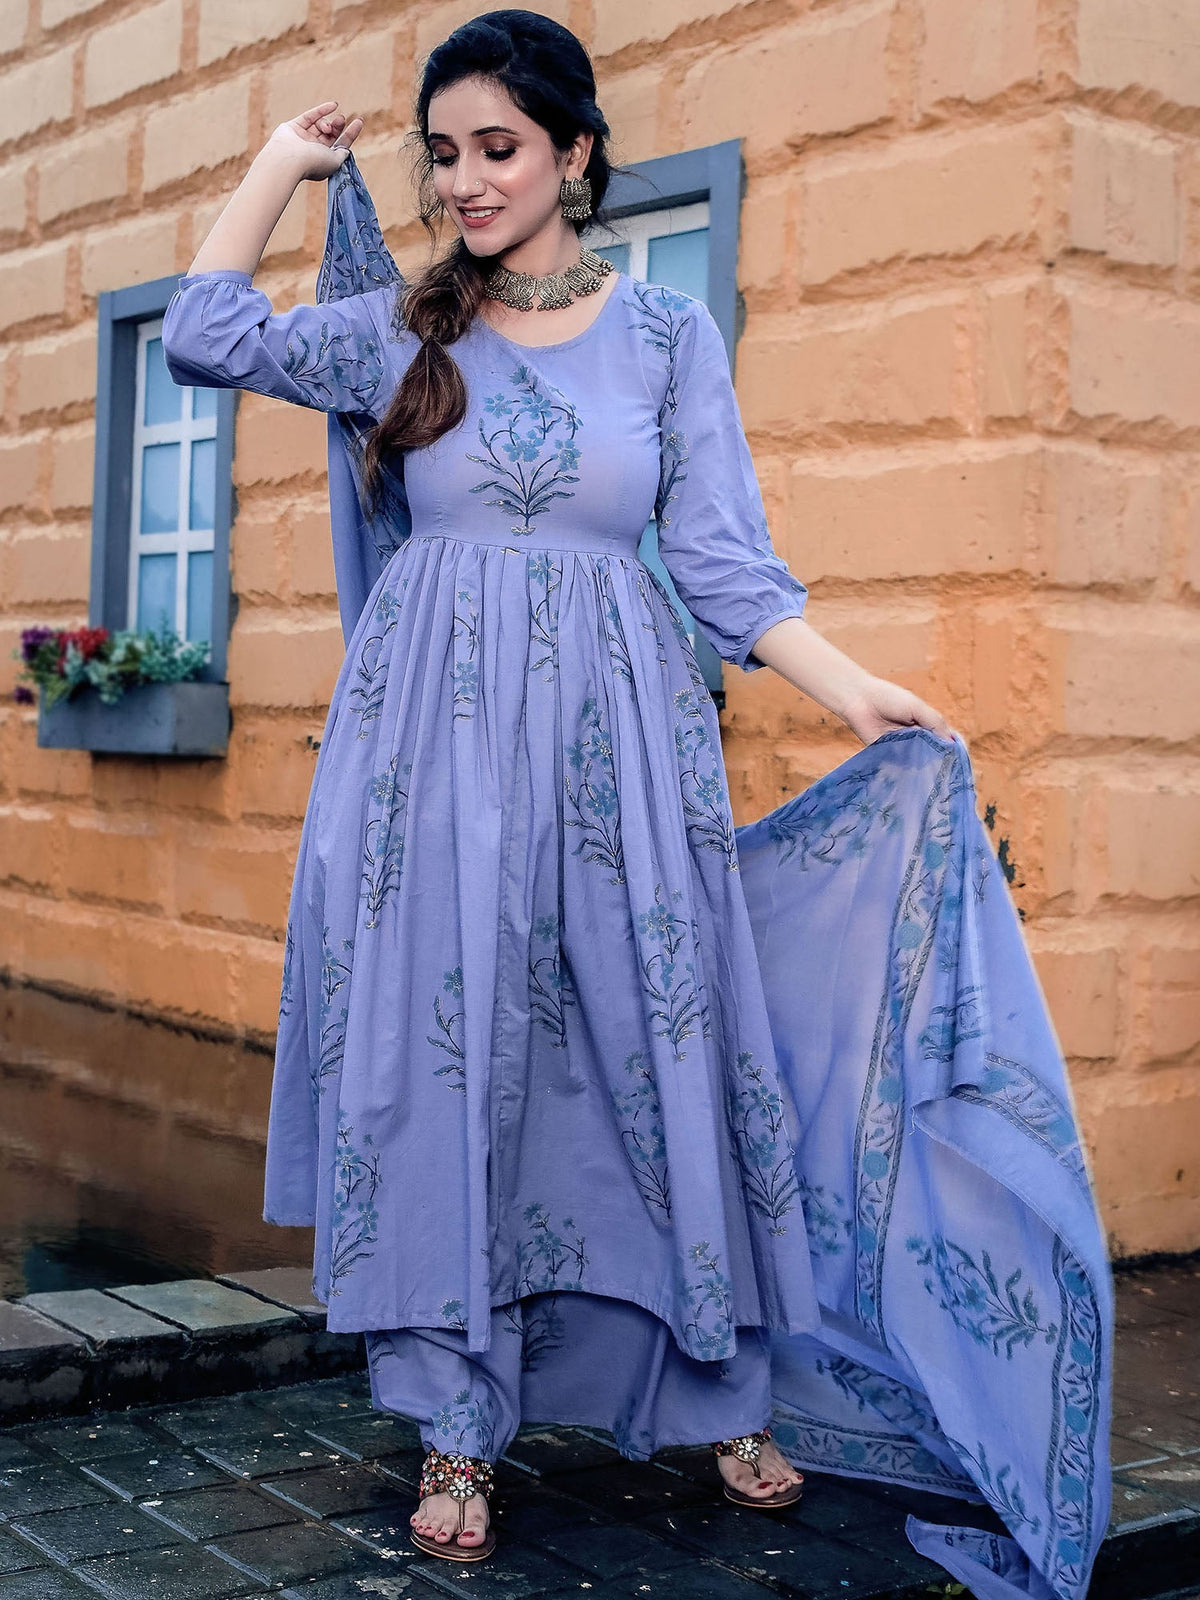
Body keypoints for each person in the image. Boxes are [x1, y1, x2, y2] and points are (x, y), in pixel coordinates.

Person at [162, 11, 1113, 1595]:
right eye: (444, 154)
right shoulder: (403, 331)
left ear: (575, 153)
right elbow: (201, 333)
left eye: (500, 147)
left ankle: (717, 1389)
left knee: (651, 1056)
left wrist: (848, 687)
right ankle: (457, 1422)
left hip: (626, 758)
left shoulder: (667, 339)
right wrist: (278, 164)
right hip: (434, 766)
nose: (467, 180)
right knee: (457, 1071)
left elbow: (724, 562)